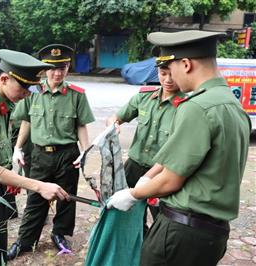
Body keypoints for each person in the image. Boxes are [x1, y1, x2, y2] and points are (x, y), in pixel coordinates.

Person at [106, 30, 251, 266]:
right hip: (213, 234)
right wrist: (147, 177)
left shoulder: (197, 107)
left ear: (185, 64)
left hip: (181, 232)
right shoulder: (232, 105)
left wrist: (131, 194)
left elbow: (171, 181)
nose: (169, 78)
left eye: (171, 70)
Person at [0, 49, 69, 266]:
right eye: (23, 86)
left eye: (30, 87)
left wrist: (10, 177)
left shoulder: (3, 101)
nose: (27, 93)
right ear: (4, 78)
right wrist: (38, 186)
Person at [7, 44, 95, 260]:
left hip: (67, 154)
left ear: (68, 68)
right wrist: (18, 148)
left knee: (66, 197)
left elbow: (81, 125)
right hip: (39, 155)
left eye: (63, 67)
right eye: (52, 68)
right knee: (35, 197)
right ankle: (26, 240)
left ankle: (60, 234)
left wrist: (85, 152)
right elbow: (26, 121)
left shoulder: (76, 95)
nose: (57, 73)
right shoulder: (33, 92)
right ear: (44, 70)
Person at [106, 61, 185, 232]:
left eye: (172, 74)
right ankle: (136, 242)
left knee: (162, 217)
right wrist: (114, 125)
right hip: (133, 167)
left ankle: (155, 247)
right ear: (157, 72)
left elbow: (178, 150)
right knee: (127, 212)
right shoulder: (143, 97)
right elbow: (115, 117)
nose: (168, 79)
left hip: (162, 173)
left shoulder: (186, 106)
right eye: (163, 73)